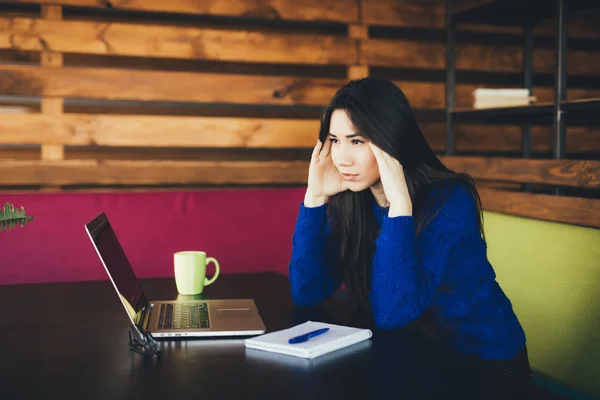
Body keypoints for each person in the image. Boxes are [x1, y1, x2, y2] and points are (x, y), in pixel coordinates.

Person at [288, 77, 531, 379]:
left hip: (484, 363)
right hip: (412, 353)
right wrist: (315, 197)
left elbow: (393, 312)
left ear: (390, 140)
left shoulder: (450, 198)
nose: (341, 158)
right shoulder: (352, 199)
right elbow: (306, 292)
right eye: (335, 140)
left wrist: (399, 205)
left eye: (357, 141)